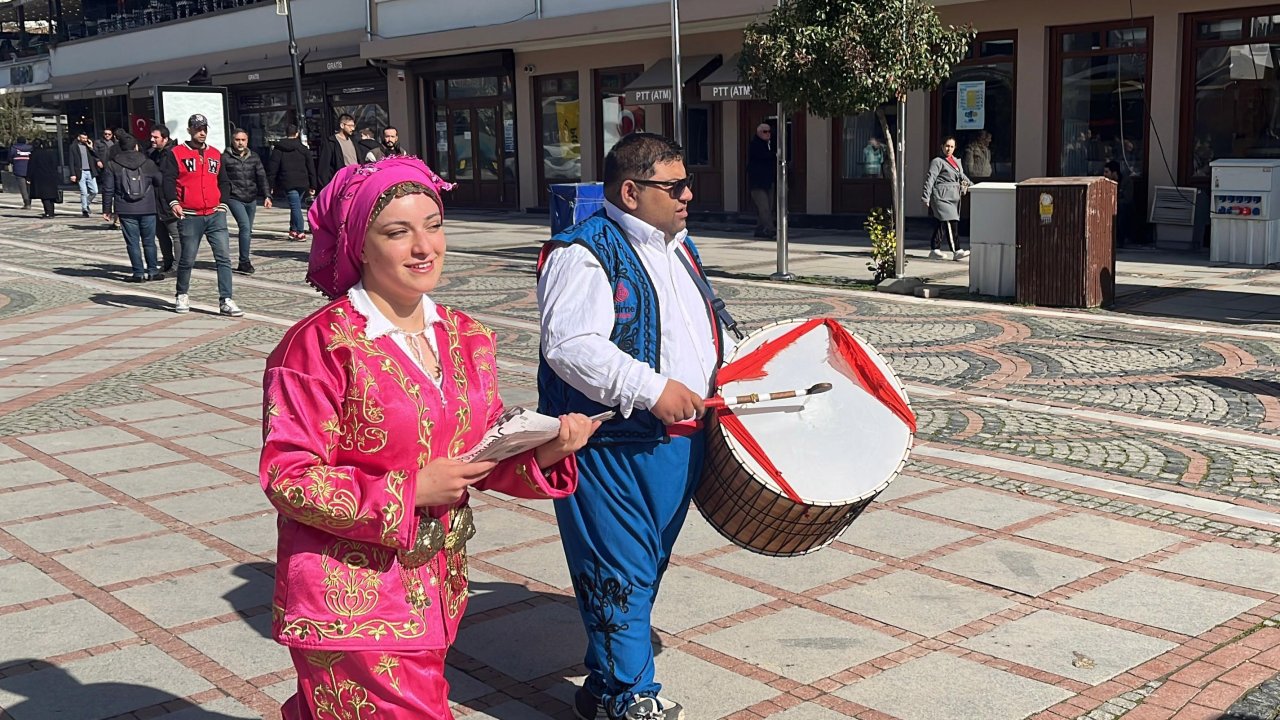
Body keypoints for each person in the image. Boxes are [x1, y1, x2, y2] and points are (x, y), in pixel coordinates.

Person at [260, 154, 598, 720]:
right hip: (350, 597)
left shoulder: (468, 337)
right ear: (359, 245)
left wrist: (546, 449)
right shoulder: (318, 347)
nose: (424, 247)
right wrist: (408, 491)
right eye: (398, 232)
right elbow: (288, 476)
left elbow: (479, 455)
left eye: (433, 226)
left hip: (435, 589)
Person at [538, 133, 730, 720]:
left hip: (679, 444)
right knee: (618, 565)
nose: (688, 195)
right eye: (674, 186)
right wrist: (651, 389)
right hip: (611, 446)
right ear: (631, 190)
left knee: (645, 565)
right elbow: (569, 346)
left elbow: (698, 328)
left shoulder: (680, 247)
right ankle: (631, 696)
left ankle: (603, 687)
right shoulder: (583, 251)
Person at [161, 113, 240, 317]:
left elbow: (224, 181)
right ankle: (182, 294)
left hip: (215, 214)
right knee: (187, 258)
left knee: (223, 258)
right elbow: (168, 180)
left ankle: (226, 299)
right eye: (197, 129)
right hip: (189, 214)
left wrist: (223, 203)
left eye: (204, 128)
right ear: (189, 130)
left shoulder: (215, 153)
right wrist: (173, 202)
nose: (202, 132)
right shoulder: (177, 153)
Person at [101, 134, 164, 283]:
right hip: (147, 206)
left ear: (120, 147)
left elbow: (108, 188)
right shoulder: (147, 162)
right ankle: (153, 271)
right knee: (149, 240)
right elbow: (159, 180)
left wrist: (107, 209)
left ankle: (138, 273)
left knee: (132, 242)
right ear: (135, 146)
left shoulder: (112, 164)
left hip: (125, 207)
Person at [223, 128, 272, 275]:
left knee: (248, 230)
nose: (240, 143)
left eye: (243, 140)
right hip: (234, 197)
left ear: (247, 141)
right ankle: (244, 261)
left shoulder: (254, 157)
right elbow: (221, 180)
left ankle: (242, 261)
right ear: (232, 140)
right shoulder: (225, 157)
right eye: (237, 140)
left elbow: (261, 176)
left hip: (251, 197)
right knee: (244, 227)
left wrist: (267, 195)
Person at [921, 136, 972, 261]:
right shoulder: (937, 161)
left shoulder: (956, 161)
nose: (949, 149)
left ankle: (934, 249)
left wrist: (973, 186)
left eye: (952, 146)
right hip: (941, 196)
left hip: (953, 196)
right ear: (942, 147)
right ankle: (957, 250)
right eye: (947, 146)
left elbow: (962, 176)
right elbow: (930, 178)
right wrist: (926, 196)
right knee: (951, 221)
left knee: (941, 223)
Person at [267, 124, 316, 241]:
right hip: (303, 182)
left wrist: (271, 185)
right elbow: (311, 167)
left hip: (287, 181)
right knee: (296, 205)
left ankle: (299, 231)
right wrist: (313, 184)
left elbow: (273, 168)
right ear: (297, 134)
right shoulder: (303, 149)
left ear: (286, 133)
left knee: (295, 206)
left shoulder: (279, 149)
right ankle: (294, 229)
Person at [149, 125, 179, 273]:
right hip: (155, 201)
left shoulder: (173, 154)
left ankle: (178, 266)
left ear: (165, 139)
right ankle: (167, 262)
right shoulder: (153, 154)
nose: (152, 140)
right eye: (152, 137)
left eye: (156, 137)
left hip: (170, 200)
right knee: (161, 235)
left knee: (176, 234)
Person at [746, 122, 775, 239]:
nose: (768, 134)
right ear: (758, 133)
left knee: (769, 207)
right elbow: (763, 157)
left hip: (768, 181)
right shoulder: (755, 145)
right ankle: (770, 229)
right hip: (757, 183)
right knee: (764, 208)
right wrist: (774, 154)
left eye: (769, 131)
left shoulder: (770, 144)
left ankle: (759, 229)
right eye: (764, 132)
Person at [316, 112, 358, 188]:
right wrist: (325, 186)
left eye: (354, 125)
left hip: (356, 178)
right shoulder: (331, 142)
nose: (353, 128)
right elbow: (324, 166)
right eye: (350, 126)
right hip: (341, 181)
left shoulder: (353, 141)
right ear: (342, 125)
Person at [69, 132, 101, 218]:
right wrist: (72, 174)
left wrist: (91, 148)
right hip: (80, 172)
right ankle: (84, 210)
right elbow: (71, 161)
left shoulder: (88, 146)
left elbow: (96, 156)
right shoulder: (73, 147)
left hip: (90, 171)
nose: (84, 140)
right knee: (84, 192)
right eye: (83, 138)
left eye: (86, 138)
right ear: (79, 138)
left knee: (95, 191)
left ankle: (87, 204)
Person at [27, 139, 61, 218]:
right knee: (51, 195)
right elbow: (55, 164)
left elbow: (31, 167)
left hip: (40, 177)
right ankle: (51, 212)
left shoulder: (34, 154)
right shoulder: (50, 153)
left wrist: (28, 177)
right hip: (51, 176)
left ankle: (48, 212)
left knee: (44, 196)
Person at [7, 136, 33, 210]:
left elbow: (9, 158)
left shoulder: (14, 148)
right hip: (30, 169)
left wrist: (12, 162)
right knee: (29, 187)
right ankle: (30, 200)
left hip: (19, 169)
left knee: (23, 188)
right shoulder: (31, 148)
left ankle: (27, 203)